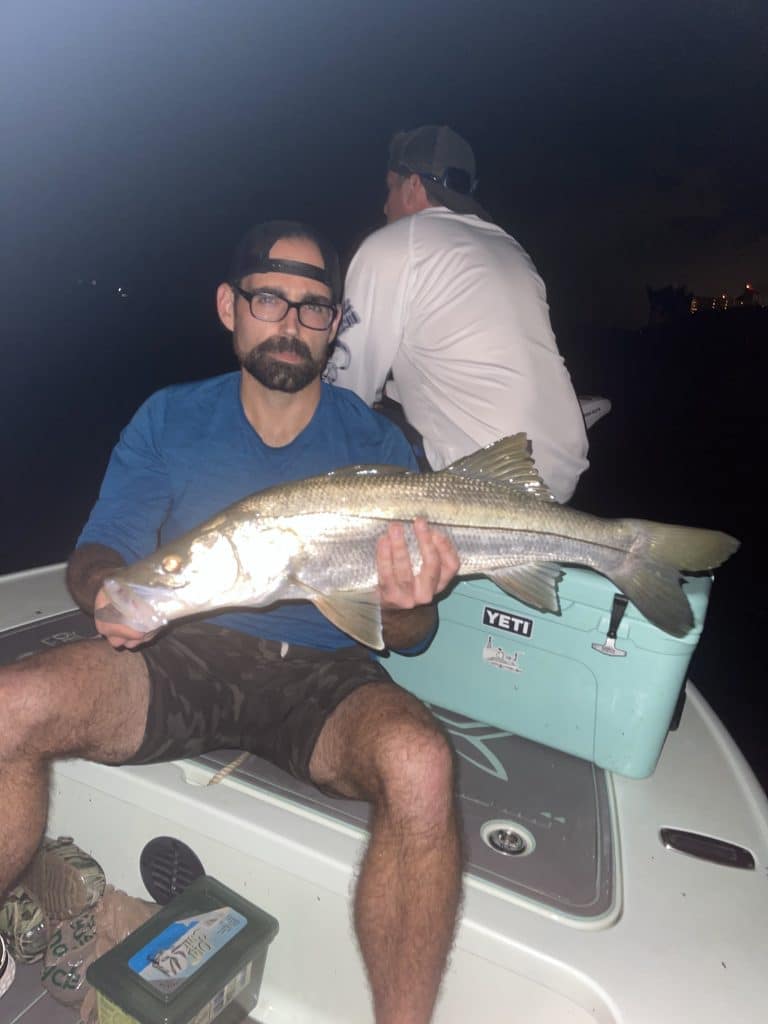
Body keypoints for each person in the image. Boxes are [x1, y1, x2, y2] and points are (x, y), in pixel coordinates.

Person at [0, 221, 462, 1024]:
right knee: (9, 703)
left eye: (313, 307)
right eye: (269, 298)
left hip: (325, 676)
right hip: (186, 652)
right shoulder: (170, 418)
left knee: (421, 764)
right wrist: (109, 590)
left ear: (335, 325)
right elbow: (102, 549)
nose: (291, 322)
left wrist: (409, 601)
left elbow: (412, 636)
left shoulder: (377, 443)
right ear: (229, 306)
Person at [325, 124, 589, 503]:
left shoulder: (392, 244)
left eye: (390, 187)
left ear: (412, 186)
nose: (384, 206)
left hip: (485, 478)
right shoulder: (510, 247)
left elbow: (346, 396)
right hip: (562, 469)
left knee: (341, 421)